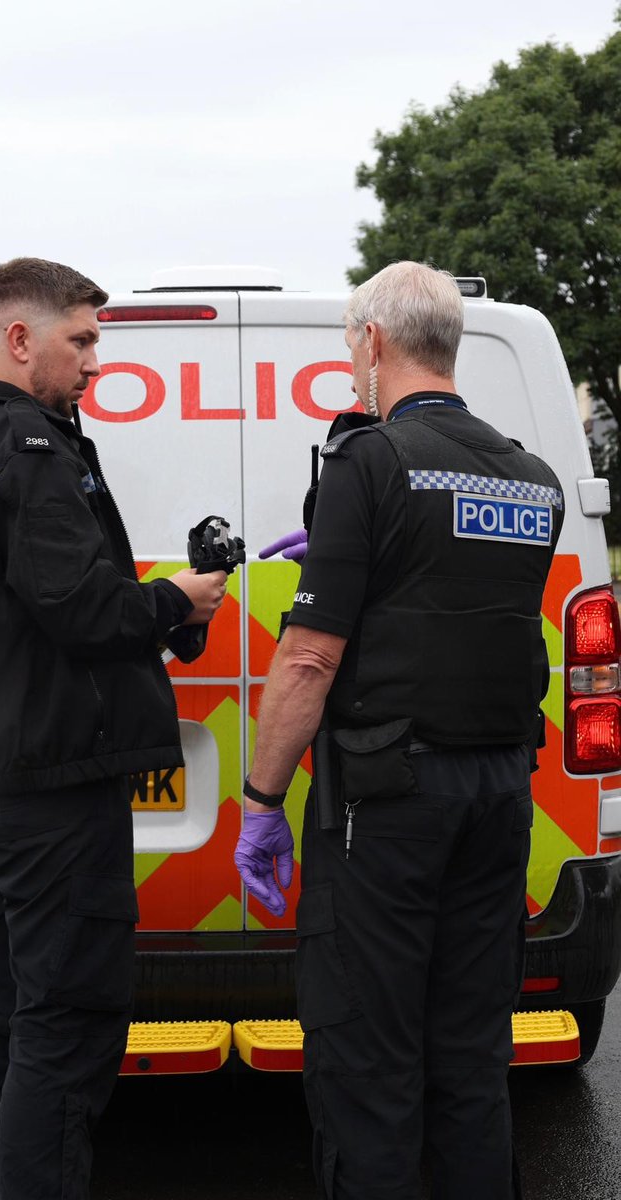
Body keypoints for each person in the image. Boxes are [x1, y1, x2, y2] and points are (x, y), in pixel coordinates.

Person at [0, 257, 227, 1200]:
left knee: (7, 1009)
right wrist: (177, 597)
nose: (93, 361)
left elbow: (8, 612)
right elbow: (81, 610)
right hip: (49, 791)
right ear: (18, 337)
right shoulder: (28, 451)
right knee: (68, 1024)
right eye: (80, 340)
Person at [234, 261, 563, 1199]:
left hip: (385, 811)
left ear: (373, 344)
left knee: (368, 1063)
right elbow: (450, 599)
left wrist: (262, 802)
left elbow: (307, 661)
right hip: (498, 798)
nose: (351, 370)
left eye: (349, 350)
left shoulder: (367, 462)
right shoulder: (530, 478)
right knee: (469, 1058)